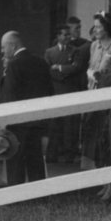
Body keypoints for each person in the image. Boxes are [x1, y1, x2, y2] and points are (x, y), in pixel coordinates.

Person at [0, 30, 54, 184]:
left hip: (18, 124)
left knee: (15, 164)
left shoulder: (14, 65)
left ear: (12, 45)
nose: (2, 52)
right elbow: (49, 92)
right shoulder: (41, 62)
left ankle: (16, 198)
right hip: (38, 122)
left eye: (3, 48)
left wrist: (4, 123)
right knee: (36, 162)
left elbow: (10, 97)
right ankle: (38, 197)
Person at [80, 13, 111, 171]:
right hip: (93, 94)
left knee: (105, 135)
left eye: (99, 26)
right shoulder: (94, 45)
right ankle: (94, 170)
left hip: (108, 96)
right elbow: (91, 67)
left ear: (107, 27)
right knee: (91, 133)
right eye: (95, 26)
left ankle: (108, 173)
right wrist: (90, 74)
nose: (95, 30)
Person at [44, 23, 84, 163]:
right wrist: (64, 73)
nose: (68, 37)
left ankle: (69, 155)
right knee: (55, 124)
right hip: (56, 91)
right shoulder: (50, 52)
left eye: (69, 34)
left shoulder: (75, 51)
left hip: (70, 91)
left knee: (70, 125)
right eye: (65, 34)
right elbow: (48, 70)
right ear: (58, 36)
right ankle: (52, 154)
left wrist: (60, 68)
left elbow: (77, 68)